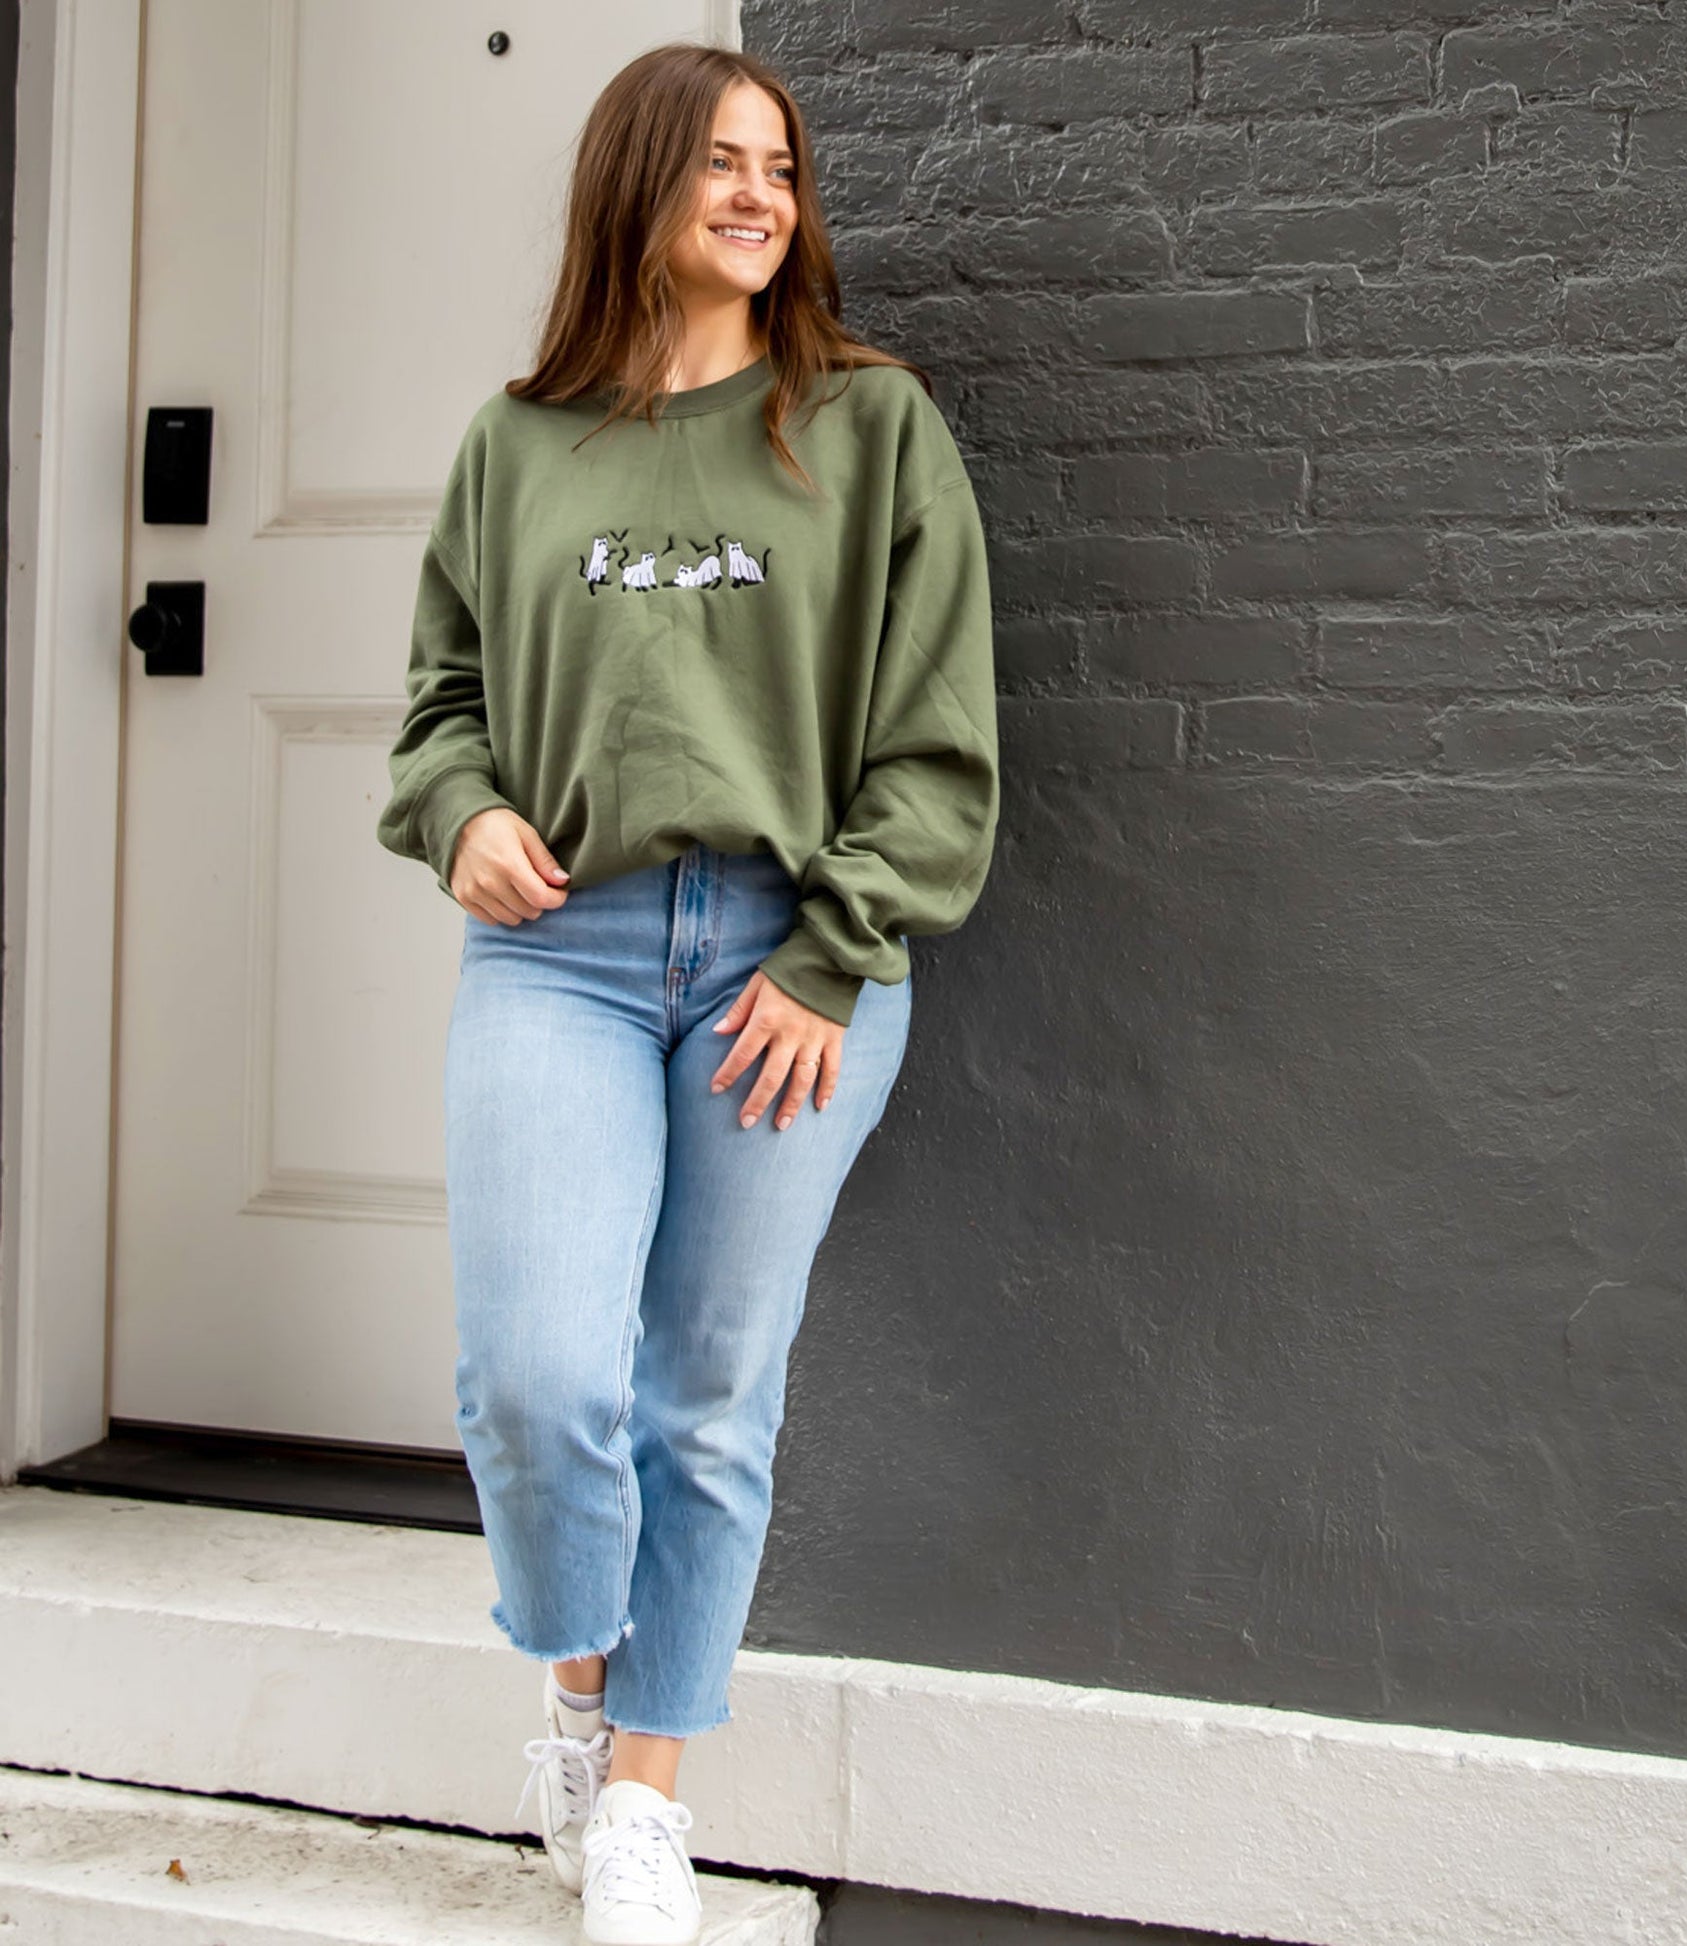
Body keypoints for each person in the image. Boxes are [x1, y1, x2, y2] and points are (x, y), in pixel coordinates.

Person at [375, 42, 999, 1946]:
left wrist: (834, 949)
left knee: (704, 1396)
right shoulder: (518, 436)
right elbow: (436, 712)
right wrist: (460, 812)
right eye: (718, 161)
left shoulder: (872, 426)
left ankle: (647, 1795)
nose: (757, 194)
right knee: (544, 1378)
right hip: (554, 954)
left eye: (781, 168)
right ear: (631, 185)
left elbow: (936, 741)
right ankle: (576, 1686)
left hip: (782, 967)